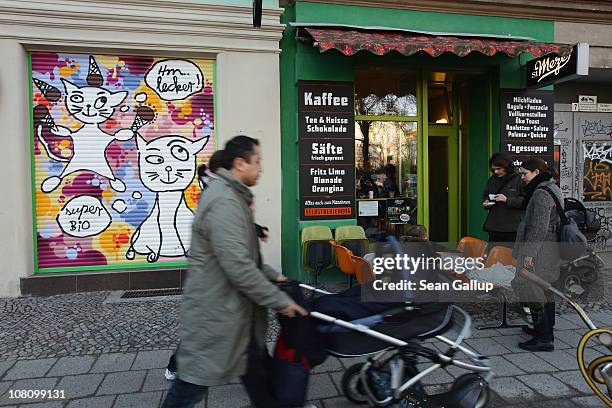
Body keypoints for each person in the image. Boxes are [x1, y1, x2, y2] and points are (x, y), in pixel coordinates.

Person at [161, 136, 306, 408]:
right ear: (240, 164)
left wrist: (273, 274)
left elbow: (243, 254)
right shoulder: (225, 202)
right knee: (190, 387)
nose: (261, 167)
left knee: (258, 373)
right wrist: (280, 301)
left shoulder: (231, 197)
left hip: (236, 313)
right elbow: (238, 267)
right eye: (258, 161)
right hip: (218, 313)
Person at [511, 158, 561, 352]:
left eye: (525, 173)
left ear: (536, 173)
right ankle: (546, 329)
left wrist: (529, 254)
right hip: (549, 248)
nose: (522, 177)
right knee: (545, 289)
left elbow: (539, 227)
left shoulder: (541, 193)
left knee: (530, 288)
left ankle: (544, 337)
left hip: (540, 250)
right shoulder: (552, 188)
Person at [482, 153, 525, 247]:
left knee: (509, 258)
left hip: (512, 229)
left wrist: (507, 199)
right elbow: (486, 195)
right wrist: (486, 202)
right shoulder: (492, 180)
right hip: (494, 227)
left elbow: (526, 201)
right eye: (493, 169)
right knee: (493, 258)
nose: (496, 172)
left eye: (498, 168)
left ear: (506, 166)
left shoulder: (520, 178)